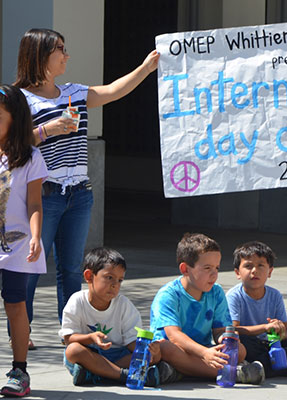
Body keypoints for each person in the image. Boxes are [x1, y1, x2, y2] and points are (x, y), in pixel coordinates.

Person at [13, 28, 160, 342]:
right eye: (60, 50)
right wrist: (46, 131)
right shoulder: (19, 100)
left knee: (70, 269)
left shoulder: (74, 93)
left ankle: (72, 332)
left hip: (79, 192)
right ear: (40, 55)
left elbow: (113, 91)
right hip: (43, 193)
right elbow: (7, 143)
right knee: (30, 268)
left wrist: (145, 68)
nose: (66, 56)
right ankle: (21, 331)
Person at [150, 233, 265, 384]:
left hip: (202, 350)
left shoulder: (216, 292)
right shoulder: (168, 295)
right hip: (175, 350)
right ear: (185, 269)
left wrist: (225, 338)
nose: (214, 274)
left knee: (240, 350)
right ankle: (233, 374)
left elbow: (219, 330)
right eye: (207, 268)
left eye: (217, 268)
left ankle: (180, 372)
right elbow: (174, 336)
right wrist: (204, 353)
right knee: (166, 348)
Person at [60, 247, 178, 387]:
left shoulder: (124, 306)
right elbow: (68, 338)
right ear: (89, 276)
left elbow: (131, 343)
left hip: (118, 355)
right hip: (90, 353)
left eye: (120, 280)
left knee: (150, 357)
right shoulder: (77, 301)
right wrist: (90, 338)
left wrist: (150, 350)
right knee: (73, 351)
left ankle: (95, 373)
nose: (115, 285)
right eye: (109, 277)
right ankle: (123, 376)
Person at [0, 84, 47, 396]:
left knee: (15, 304)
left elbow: (34, 203)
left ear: (14, 118)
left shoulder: (30, 157)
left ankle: (20, 371)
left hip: (16, 245)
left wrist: (35, 235)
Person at [226, 241, 287, 378]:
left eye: (260, 265)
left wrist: (278, 330)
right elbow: (233, 330)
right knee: (239, 340)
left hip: (271, 344)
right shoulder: (234, 296)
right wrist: (264, 327)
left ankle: (260, 368)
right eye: (248, 266)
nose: (254, 271)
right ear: (237, 273)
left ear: (270, 271)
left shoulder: (275, 295)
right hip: (252, 345)